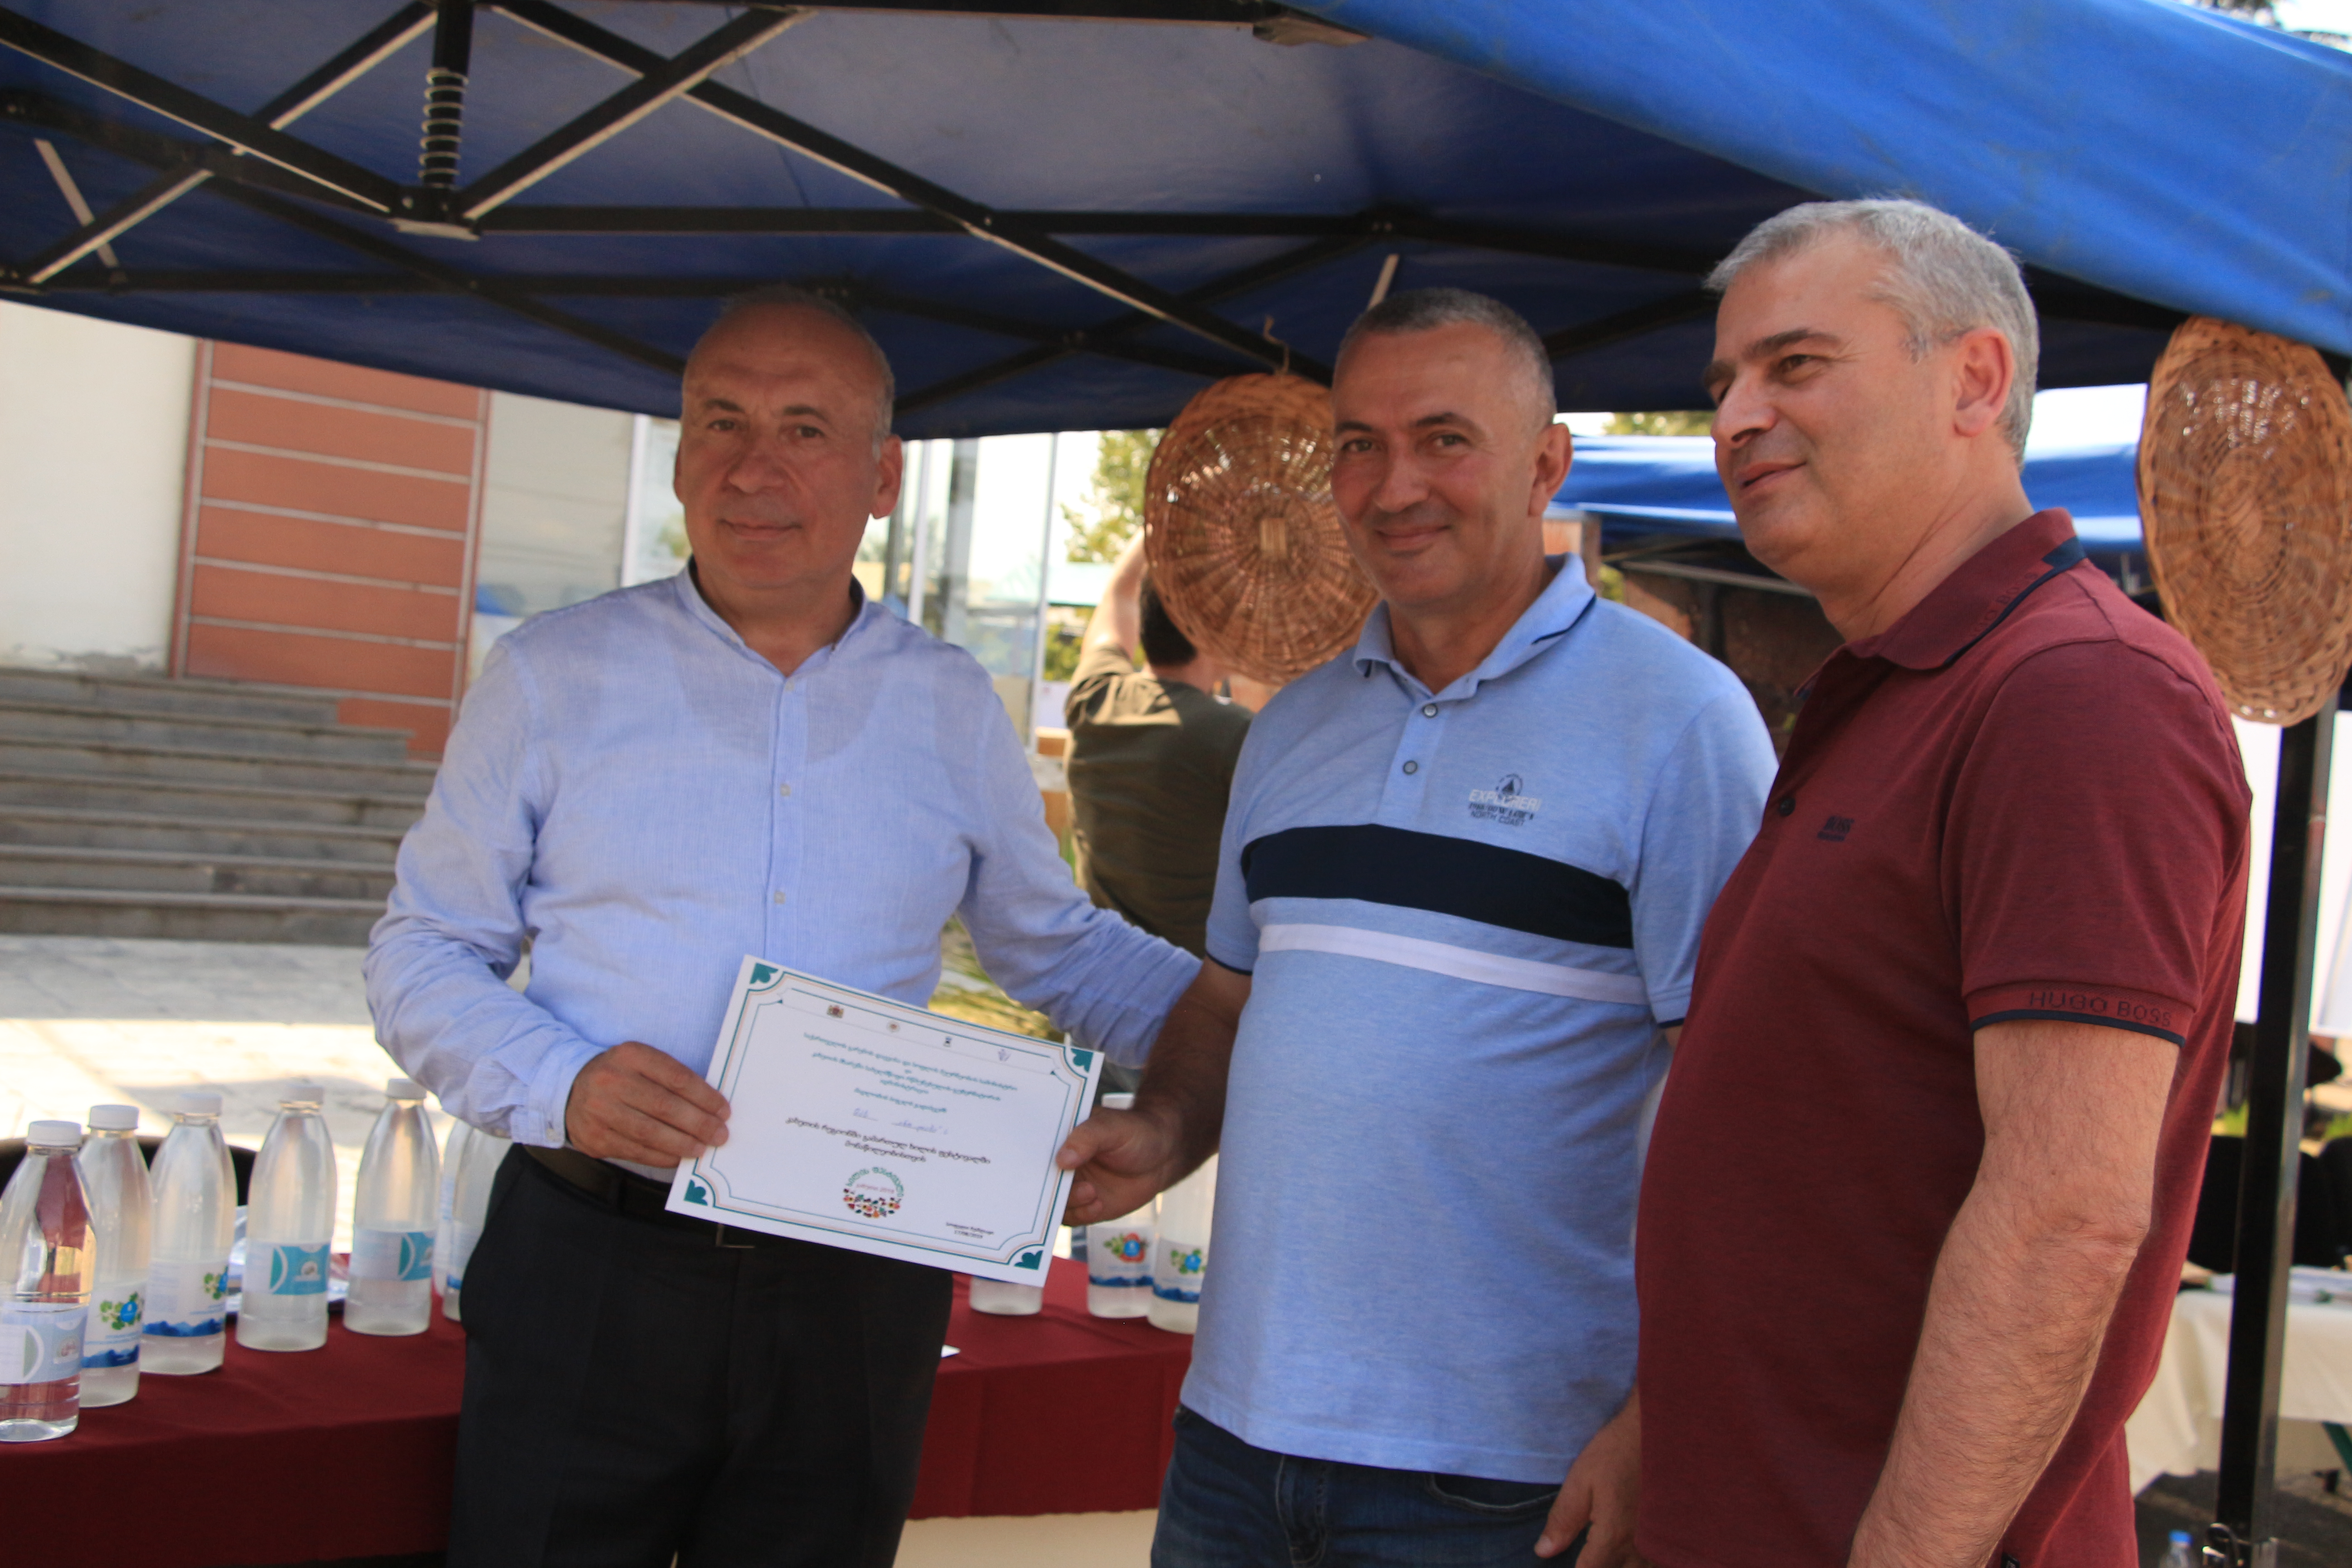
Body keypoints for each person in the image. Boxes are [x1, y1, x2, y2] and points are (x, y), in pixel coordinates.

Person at [365, 284, 1198, 1568]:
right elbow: (423, 948)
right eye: (722, 421)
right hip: (593, 1258)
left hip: (856, 1278)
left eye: (805, 429)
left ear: (884, 478)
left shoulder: (949, 702)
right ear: (680, 454)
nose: (754, 468)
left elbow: (1058, 947)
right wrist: (562, 1080)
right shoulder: (552, 674)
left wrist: (1256, 1019)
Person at [1058, 288, 1778, 1567]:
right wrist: (1163, 1126)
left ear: (1546, 462)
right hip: (1234, 1441)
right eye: (1359, 446)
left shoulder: (1680, 722)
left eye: (1445, 439)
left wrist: (1666, 1410)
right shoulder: (1291, 727)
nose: (1394, 488)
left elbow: (1747, 1107)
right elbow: (1228, 1001)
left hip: (1503, 1474)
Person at [1636, 199, 2251, 1568]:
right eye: (1724, 381)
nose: (1735, 417)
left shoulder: (2076, 690)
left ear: (1975, 380)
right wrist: (1655, 1430)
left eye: (1795, 365)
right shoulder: (1901, 684)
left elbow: (2066, 1218)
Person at [1063, 531, 1253, 961]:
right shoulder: (1235, 736)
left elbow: (1119, 593)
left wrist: (1159, 525)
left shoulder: (1096, 698)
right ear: (1208, 630)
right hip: (1190, 989)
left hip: (1096, 975)